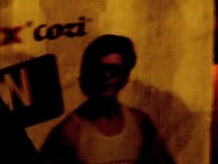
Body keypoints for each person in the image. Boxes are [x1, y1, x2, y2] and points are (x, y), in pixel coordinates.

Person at [40, 34, 176, 164]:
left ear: (125, 76)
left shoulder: (139, 124)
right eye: (100, 69)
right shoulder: (70, 133)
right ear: (89, 73)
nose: (106, 76)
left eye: (114, 70)